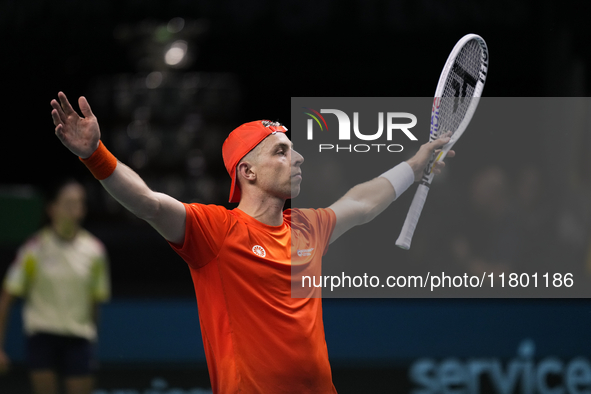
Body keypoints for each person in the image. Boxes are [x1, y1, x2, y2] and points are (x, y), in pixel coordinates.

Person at [49, 91, 452, 393]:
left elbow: (362, 202)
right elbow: (149, 203)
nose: (298, 159)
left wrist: (417, 164)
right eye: (281, 151)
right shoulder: (215, 231)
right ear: (248, 171)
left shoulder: (308, 228)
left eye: (294, 150)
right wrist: (94, 155)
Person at [0, 179, 110, 394]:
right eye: (68, 203)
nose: (75, 209)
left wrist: (92, 343)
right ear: (52, 209)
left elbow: (95, 302)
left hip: (79, 340)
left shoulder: (95, 252)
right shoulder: (33, 249)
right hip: (42, 338)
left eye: (79, 203)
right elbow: (6, 297)